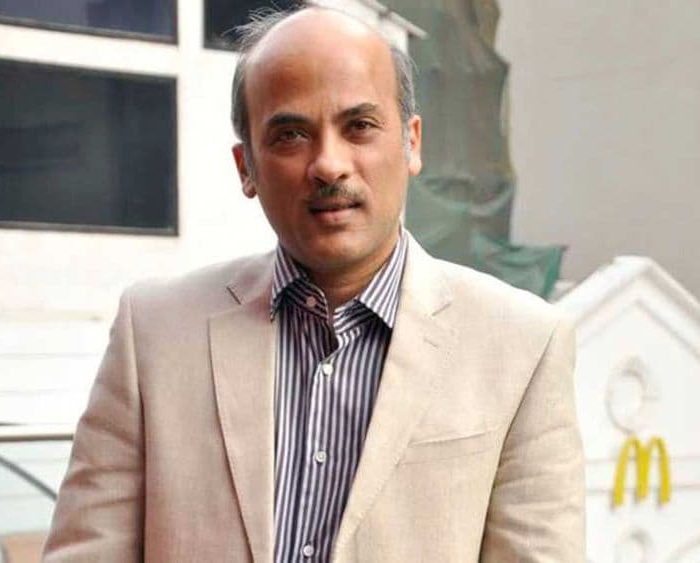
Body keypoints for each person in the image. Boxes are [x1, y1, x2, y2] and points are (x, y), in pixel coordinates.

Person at [43, 6, 584, 562]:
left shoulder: (521, 346)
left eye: (360, 126)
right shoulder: (155, 333)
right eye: (290, 135)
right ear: (246, 168)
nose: (328, 164)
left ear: (412, 142)